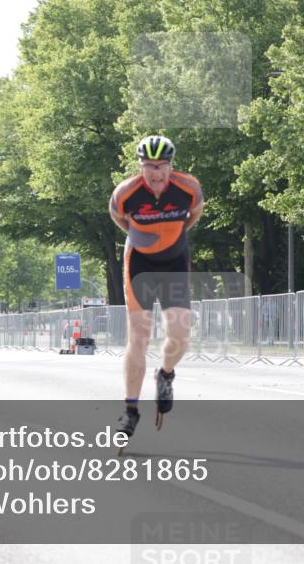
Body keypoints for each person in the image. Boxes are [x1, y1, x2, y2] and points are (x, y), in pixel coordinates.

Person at [109, 135, 203, 436]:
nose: (156, 173)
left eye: (161, 165)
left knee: (180, 336)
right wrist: (141, 237)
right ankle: (130, 410)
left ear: (171, 165)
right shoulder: (126, 193)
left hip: (174, 263)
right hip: (140, 264)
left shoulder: (188, 188)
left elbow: (194, 214)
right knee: (139, 336)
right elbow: (118, 217)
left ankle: (165, 375)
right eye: (149, 166)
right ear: (141, 166)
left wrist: (173, 238)